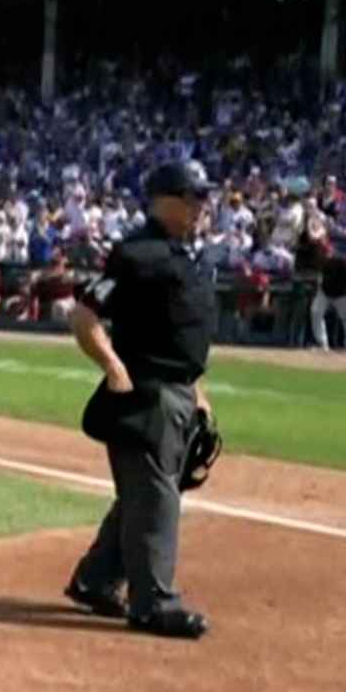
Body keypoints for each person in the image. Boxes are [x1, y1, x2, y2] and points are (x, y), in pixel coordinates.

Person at [61, 161, 217, 640]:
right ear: (162, 198)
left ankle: (97, 578)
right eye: (191, 197)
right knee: (155, 496)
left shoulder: (181, 256)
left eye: (202, 198)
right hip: (146, 395)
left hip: (177, 391)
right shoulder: (138, 254)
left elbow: (181, 338)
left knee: (142, 493)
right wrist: (114, 367)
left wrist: (199, 394)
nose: (200, 207)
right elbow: (84, 315)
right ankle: (153, 603)